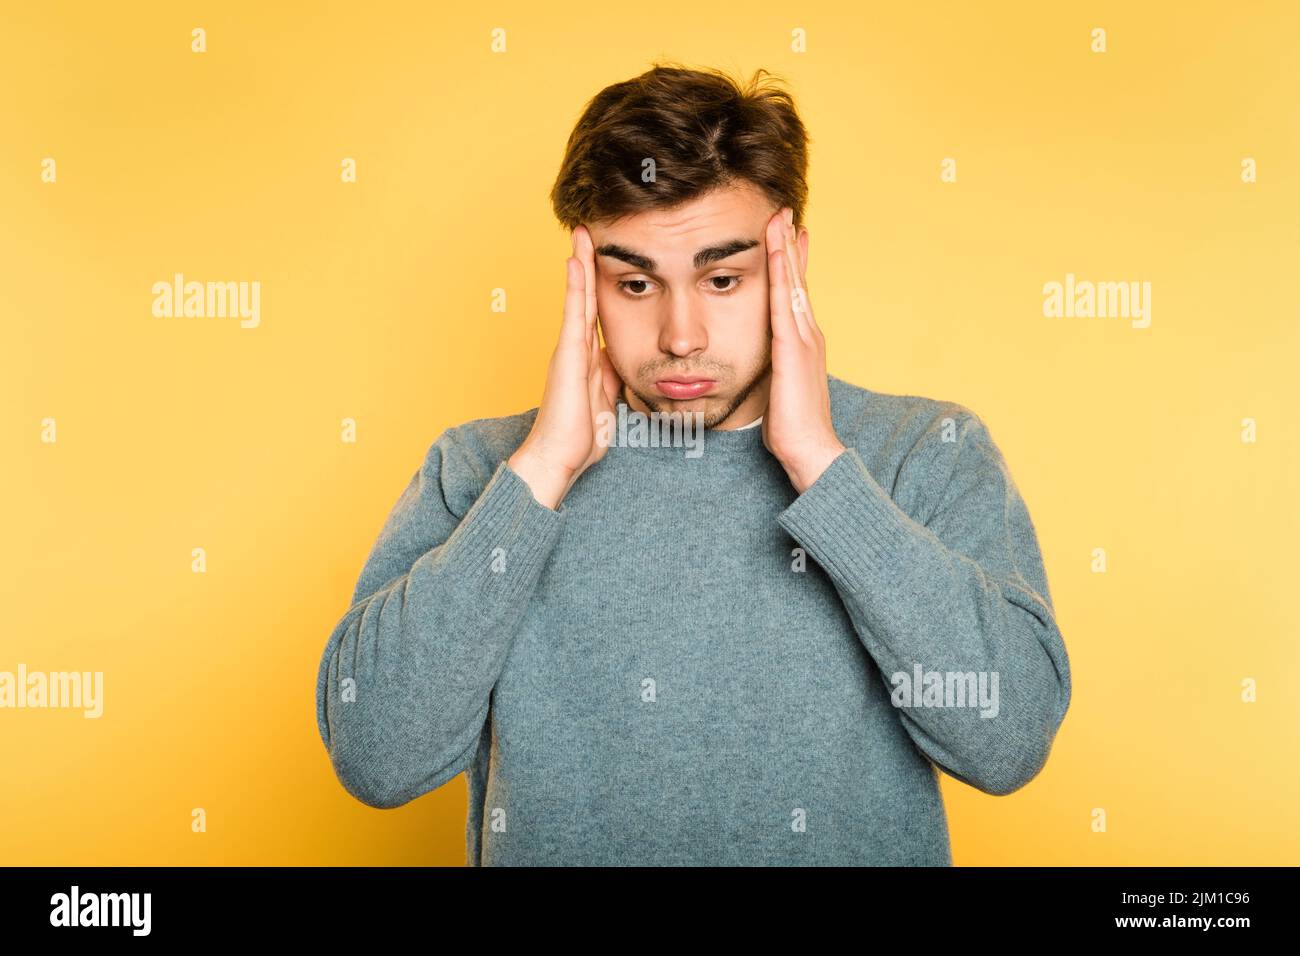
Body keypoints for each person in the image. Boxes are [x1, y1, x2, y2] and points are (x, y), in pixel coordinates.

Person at [314, 63, 1071, 865]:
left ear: (792, 260)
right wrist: (540, 471)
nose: (681, 335)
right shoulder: (484, 470)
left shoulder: (925, 452)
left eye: (722, 279)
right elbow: (376, 757)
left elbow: (1009, 739)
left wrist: (819, 462)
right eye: (636, 282)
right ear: (585, 280)